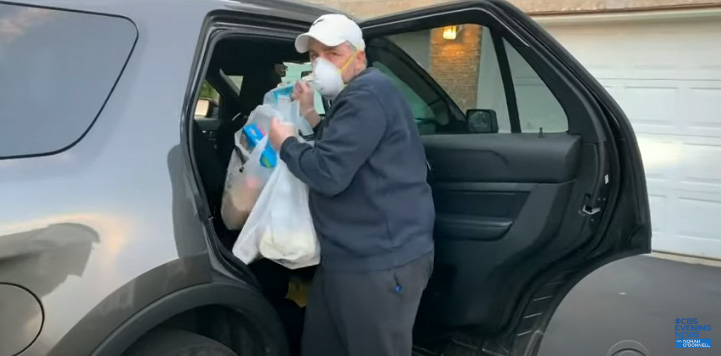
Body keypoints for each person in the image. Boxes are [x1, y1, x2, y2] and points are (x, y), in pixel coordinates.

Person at [268, 13, 435, 356]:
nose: (320, 64)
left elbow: (329, 173)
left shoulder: (368, 95)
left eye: (333, 54)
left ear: (359, 57)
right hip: (346, 258)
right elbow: (345, 146)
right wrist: (311, 114)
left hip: (380, 262)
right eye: (314, 56)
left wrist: (285, 143)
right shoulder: (357, 97)